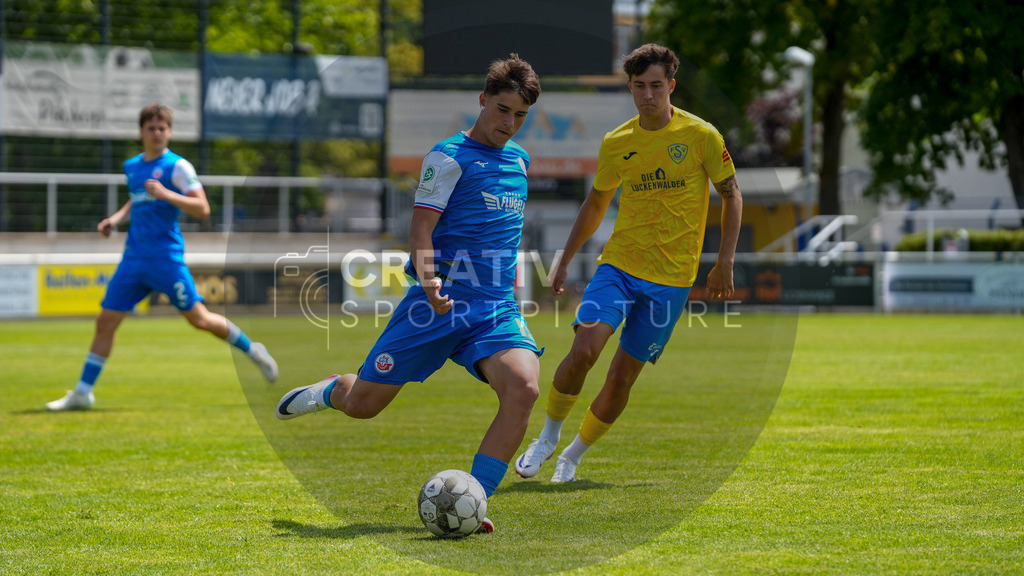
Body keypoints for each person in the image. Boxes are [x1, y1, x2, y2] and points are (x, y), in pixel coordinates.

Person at [275, 54, 543, 532]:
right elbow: (421, 229)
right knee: (364, 406)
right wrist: (429, 279)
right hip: (434, 304)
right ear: (482, 101)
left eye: (520, 115)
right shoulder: (447, 158)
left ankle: (476, 498)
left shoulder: (520, 161)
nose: (510, 122)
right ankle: (331, 390)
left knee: (523, 387)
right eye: (502, 110)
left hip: (494, 307)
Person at [514, 43, 743, 483]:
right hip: (618, 265)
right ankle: (547, 436)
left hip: (672, 280)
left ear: (671, 86)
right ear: (630, 88)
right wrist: (564, 260)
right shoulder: (618, 142)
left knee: (621, 377)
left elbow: (731, 195)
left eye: (657, 86)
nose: (648, 96)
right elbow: (597, 201)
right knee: (584, 351)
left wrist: (724, 261)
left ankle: (573, 456)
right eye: (639, 87)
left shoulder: (702, 136)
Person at [46, 103, 279, 411]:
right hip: (133, 259)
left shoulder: (178, 167)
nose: (157, 133)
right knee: (105, 322)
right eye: (151, 128)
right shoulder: (132, 166)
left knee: (200, 320)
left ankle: (252, 349)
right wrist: (115, 220)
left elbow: (203, 208)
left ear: (169, 132)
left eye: (162, 128)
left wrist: (167, 194)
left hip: (165, 259)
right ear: (141, 131)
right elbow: (136, 200)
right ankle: (83, 392)